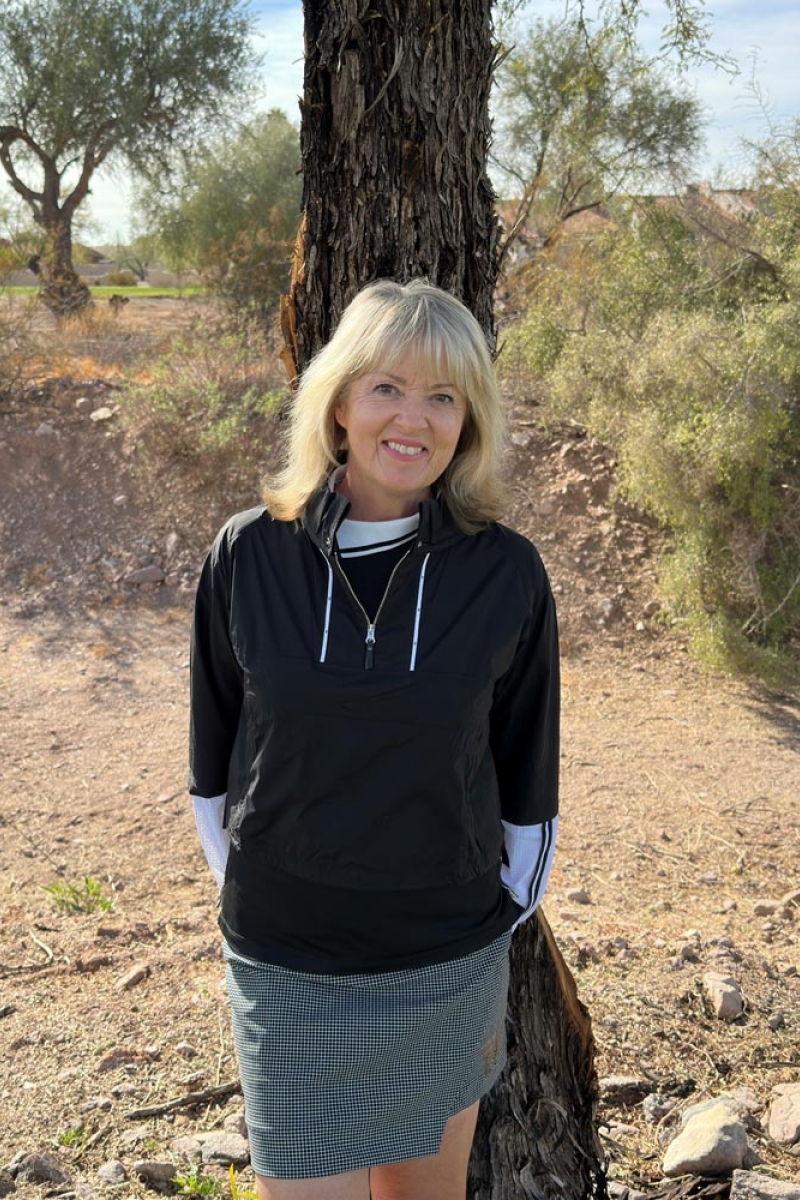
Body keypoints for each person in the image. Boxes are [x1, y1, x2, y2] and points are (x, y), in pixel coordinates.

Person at [189, 279, 559, 1200]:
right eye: (388, 387)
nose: (414, 418)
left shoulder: (506, 572)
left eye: (443, 396)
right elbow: (213, 752)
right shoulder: (248, 554)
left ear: (468, 420)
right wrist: (251, 879)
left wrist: (486, 912)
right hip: (288, 959)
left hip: (442, 956)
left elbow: (527, 772)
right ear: (341, 400)